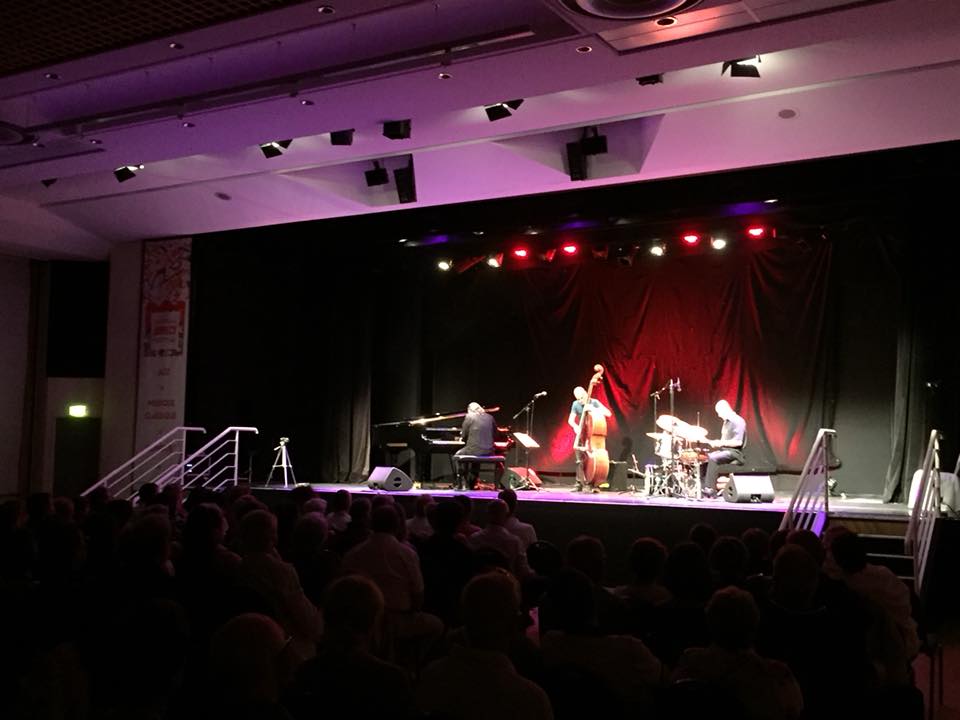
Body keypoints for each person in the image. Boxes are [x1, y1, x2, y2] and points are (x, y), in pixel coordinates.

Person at [567, 386, 612, 492]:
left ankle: (592, 482)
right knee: (579, 460)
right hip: (582, 434)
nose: (580, 401)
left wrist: (593, 408)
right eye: (578, 399)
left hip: (592, 435)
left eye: (582, 398)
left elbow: (608, 413)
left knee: (592, 459)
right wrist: (575, 427)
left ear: (586, 394)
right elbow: (570, 420)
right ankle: (579, 483)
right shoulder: (576, 404)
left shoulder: (594, 402)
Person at [701, 399, 746, 498]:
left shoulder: (737, 421)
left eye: (719, 413)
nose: (718, 415)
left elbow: (738, 442)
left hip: (735, 453)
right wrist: (716, 443)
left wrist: (720, 442)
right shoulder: (726, 422)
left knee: (713, 458)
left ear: (724, 409)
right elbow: (723, 443)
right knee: (705, 457)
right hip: (725, 450)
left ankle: (710, 489)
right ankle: (703, 487)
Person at [455, 402, 502, 489]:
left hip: (473, 450)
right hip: (489, 451)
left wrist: (462, 437)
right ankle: (496, 486)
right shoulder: (490, 417)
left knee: (457, 455)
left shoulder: (469, 417)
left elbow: (464, 435)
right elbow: (496, 435)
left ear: (470, 410)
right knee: (474, 455)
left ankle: (460, 484)